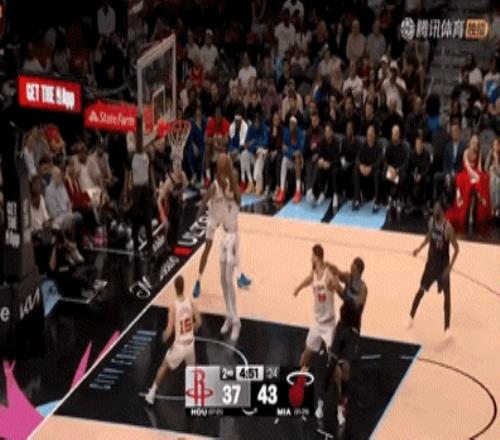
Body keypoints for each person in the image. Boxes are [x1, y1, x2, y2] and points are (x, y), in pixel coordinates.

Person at [317, 257, 368, 430]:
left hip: (352, 330)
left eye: (353, 266)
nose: (350, 267)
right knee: (331, 363)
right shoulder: (348, 277)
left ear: (358, 270)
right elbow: (338, 273)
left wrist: (339, 290)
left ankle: (341, 408)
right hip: (342, 325)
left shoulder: (363, 289)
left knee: (346, 368)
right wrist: (329, 266)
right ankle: (320, 403)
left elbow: (356, 305)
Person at [193, 155, 251, 298]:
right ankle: (198, 281)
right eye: (226, 166)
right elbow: (204, 201)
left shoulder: (229, 181)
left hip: (224, 216)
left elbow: (232, 197)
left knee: (234, 242)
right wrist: (197, 217)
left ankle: (239, 276)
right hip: (213, 218)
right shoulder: (214, 186)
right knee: (207, 250)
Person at [145, 275, 202, 405]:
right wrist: (190, 331)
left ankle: (151, 394)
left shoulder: (173, 306)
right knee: (192, 368)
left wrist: (163, 337)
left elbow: (169, 329)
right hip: (190, 343)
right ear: (183, 287)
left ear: (175, 288)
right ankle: (196, 396)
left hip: (180, 345)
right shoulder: (190, 301)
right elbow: (199, 322)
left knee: (164, 366)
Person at [409, 201, 459, 338]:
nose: (434, 210)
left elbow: (456, 249)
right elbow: (428, 237)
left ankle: (447, 328)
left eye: (437, 208)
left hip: (443, 267)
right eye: (434, 208)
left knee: (447, 296)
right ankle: (411, 316)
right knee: (421, 290)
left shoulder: (447, 228)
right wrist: (419, 249)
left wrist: (450, 267)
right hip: (431, 265)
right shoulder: (432, 222)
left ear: (442, 211)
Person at [293, 245, 339, 374]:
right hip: (317, 323)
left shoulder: (328, 274)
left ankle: (342, 386)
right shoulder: (314, 272)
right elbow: (309, 279)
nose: (310, 258)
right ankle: (299, 379)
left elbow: (336, 286)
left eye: (312, 255)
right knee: (306, 354)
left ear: (316, 257)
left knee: (333, 362)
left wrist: (337, 284)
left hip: (329, 325)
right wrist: (298, 288)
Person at [446, 134, 491, 228]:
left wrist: (479, 176)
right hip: (465, 174)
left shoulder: (478, 153)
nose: (474, 144)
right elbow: (467, 167)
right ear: (470, 142)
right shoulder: (466, 152)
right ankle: (466, 210)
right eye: (473, 142)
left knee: (483, 180)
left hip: (474, 174)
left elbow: (479, 168)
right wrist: (475, 176)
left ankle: (476, 210)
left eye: (476, 143)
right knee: (471, 183)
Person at [127, 139, 155, 257]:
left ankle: (150, 247)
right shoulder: (131, 156)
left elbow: (151, 172)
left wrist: (154, 189)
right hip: (136, 188)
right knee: (136, 218)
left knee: (148, 219)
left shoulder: (147, 154)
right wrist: (127, 193)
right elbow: (128, 175)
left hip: (146, 187)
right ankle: (135, 247)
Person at [157, 161, 188, 251]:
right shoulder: (168, 182)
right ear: (173, 168)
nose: (179, 169)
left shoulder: (183, 176)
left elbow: (185, 186)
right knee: (169, 228)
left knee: (177, 226)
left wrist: (181, 198)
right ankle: (167, 245)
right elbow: (159, 200)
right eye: (177, 166)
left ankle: (174, 243)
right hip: (169, 208)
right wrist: (162, 215)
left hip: (178, 206)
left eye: (180, 166)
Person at [433, 121, 466, 203]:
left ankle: (450, 201)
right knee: (436, 176)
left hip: (459, 172)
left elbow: (463, 163)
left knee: (453, 180)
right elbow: (445, 162)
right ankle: (440, 200)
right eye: (452, 131)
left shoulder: (464, 146)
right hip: (448, 172)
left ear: (459, 132)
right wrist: (447, 173)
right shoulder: (448, 146)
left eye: (455, 131)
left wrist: (454, 173)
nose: (454, 133)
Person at [353, 126, 382, 212]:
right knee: (356, 170)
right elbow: (357, 158)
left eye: (372, 135)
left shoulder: (379, 146)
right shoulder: (363, 145)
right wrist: (361, 166)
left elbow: (380, 161)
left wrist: (370, 168)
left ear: (374, 136)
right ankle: (357, 199)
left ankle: (377, 201)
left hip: (373, 169)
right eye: (369, 135)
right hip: (364, 168)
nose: (370, 137)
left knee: (377, 173)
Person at [276, 116, 304, 204]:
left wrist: (289, 150)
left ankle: (298, 191)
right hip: (290, 157)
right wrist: (292, 152)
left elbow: (300, 150)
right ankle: (282, 190)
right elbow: (283, 149)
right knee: (284, 160)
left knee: (297, 158)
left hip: (299, 160)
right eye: (290, 124)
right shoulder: (286, 132)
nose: (291, 126)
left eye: (293, 124)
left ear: (296, 125)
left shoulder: (300, 133)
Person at [384, 125, 409, 214]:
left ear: (398, 135)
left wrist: (397, 170)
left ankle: (398, 199)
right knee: (383, 174)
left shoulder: (404, 147)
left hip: (399, 171)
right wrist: (389, 168)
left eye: (394, 134)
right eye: (392, 134)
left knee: (403, 176)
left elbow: (406, 163)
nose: (393, 136)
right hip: (391, 170)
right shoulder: (389, 145)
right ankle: (389, 198)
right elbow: (385, 160)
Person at [407, 131, 432, 214]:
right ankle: (411, 203)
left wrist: (421, 176)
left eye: (420, 144)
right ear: (415, 145)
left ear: (422, 145)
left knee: (428, 180)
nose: (418, 146)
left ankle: (425, 204)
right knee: (406, 177)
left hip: (423, 175)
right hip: (414, 175)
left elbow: (428, 168)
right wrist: (414, 175)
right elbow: (409, 167)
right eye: (417, 144)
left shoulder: (427, 154)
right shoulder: (412, 154)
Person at [485, 138, 500, 218]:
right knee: (493, 180)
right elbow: (486, 168)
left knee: (497, 181)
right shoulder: (490, 154)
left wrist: (497, 161)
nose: (495, 146)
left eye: (497, 145)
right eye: (494, 145)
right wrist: (489, 171)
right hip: (491, 176)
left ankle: (496, 207)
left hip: (498, 176)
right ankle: (493, 207)